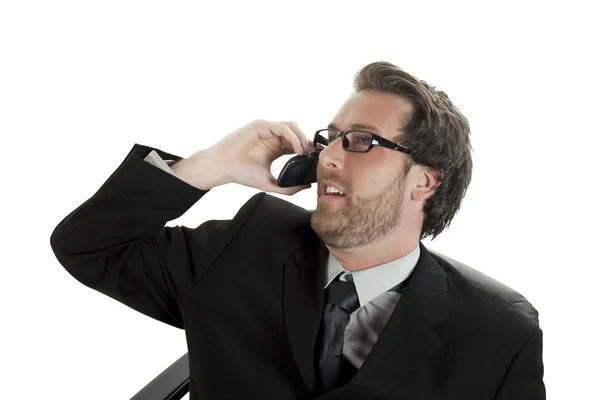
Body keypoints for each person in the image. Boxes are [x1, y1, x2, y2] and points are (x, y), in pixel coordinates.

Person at [50, 61, 545, 399]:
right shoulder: (246, 244)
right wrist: (209, 166)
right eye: (329, 138)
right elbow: (89, 246)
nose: (326, 155)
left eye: (359, 141)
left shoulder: (500, 333)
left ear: (425, 180)